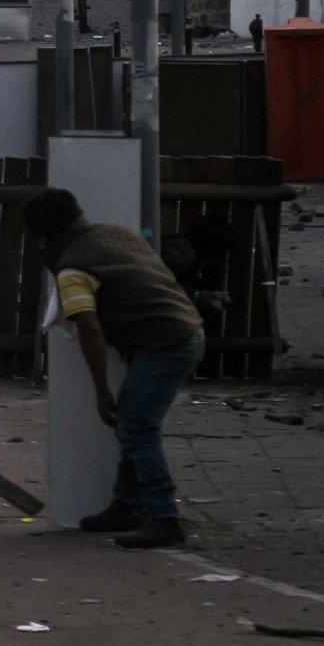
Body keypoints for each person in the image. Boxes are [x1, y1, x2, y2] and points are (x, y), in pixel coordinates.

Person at [24, 188, 207, 549]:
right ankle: (127, 506)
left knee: (138, 428)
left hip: (164, 345)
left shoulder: (73, 268)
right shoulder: (118, 234)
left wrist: (101, 390)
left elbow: (89, 329)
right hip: (183, 332)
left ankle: (164, 518)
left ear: (43, 234)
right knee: (133, 424)